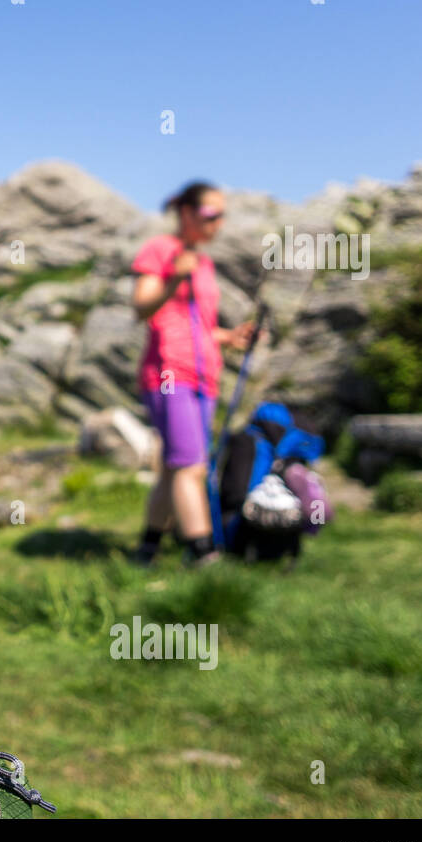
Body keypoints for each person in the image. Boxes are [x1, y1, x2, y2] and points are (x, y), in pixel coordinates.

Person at [131, 181, 257, 566]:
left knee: (174, 467)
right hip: (170, 373)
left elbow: (199, 325)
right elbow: (142, 308)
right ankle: (204, 554)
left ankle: (148, 549)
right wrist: (172, 280)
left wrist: (229, 337)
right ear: (186, 214)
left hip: (204, 375)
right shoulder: (160, 250)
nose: (217, 223)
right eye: (210, 215)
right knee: (191, 466)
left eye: (221, 215)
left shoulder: (203, 263)